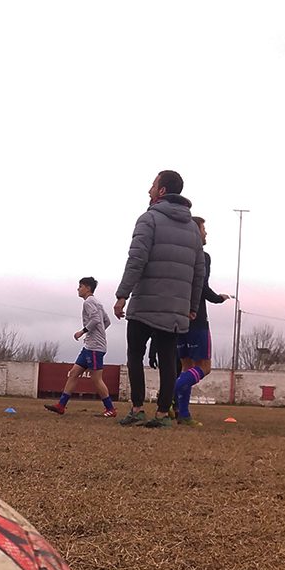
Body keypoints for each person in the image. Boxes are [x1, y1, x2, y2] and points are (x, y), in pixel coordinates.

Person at [113, 170, 204, 428]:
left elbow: (136, 259)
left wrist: (122, 295)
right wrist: (192, 307)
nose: (149, 190)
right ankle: (163, 415)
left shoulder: (148, 219)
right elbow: (199, 272)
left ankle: (137, 408)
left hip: (144, 304)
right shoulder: (192, 229)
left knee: (135, 355)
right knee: (167, 361)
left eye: (153, 185)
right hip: (176, 308)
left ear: (162, 191)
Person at [172, 216, 231, 427]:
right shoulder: (202, 256)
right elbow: (202, 287)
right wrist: (218, 298)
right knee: (204, 368)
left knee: (187, 367)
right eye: (204, 229)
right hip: (196, 318)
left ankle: (184, 414)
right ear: (196, 232)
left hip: (177, 317)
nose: (206, 233)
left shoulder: (177, 256)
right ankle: (171, 391)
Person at [44, 277, 117, 417]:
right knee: (73, 373)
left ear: (88, 288)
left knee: (96, 378)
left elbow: (96, 320)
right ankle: (61, 405)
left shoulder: (89, 302)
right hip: (89, 346)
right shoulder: (98, 303)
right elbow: (106, 321)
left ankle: (110, 409)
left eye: (80, 286)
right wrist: (98, 332)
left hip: (94, 347)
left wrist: (83, 332)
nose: (78, 289)